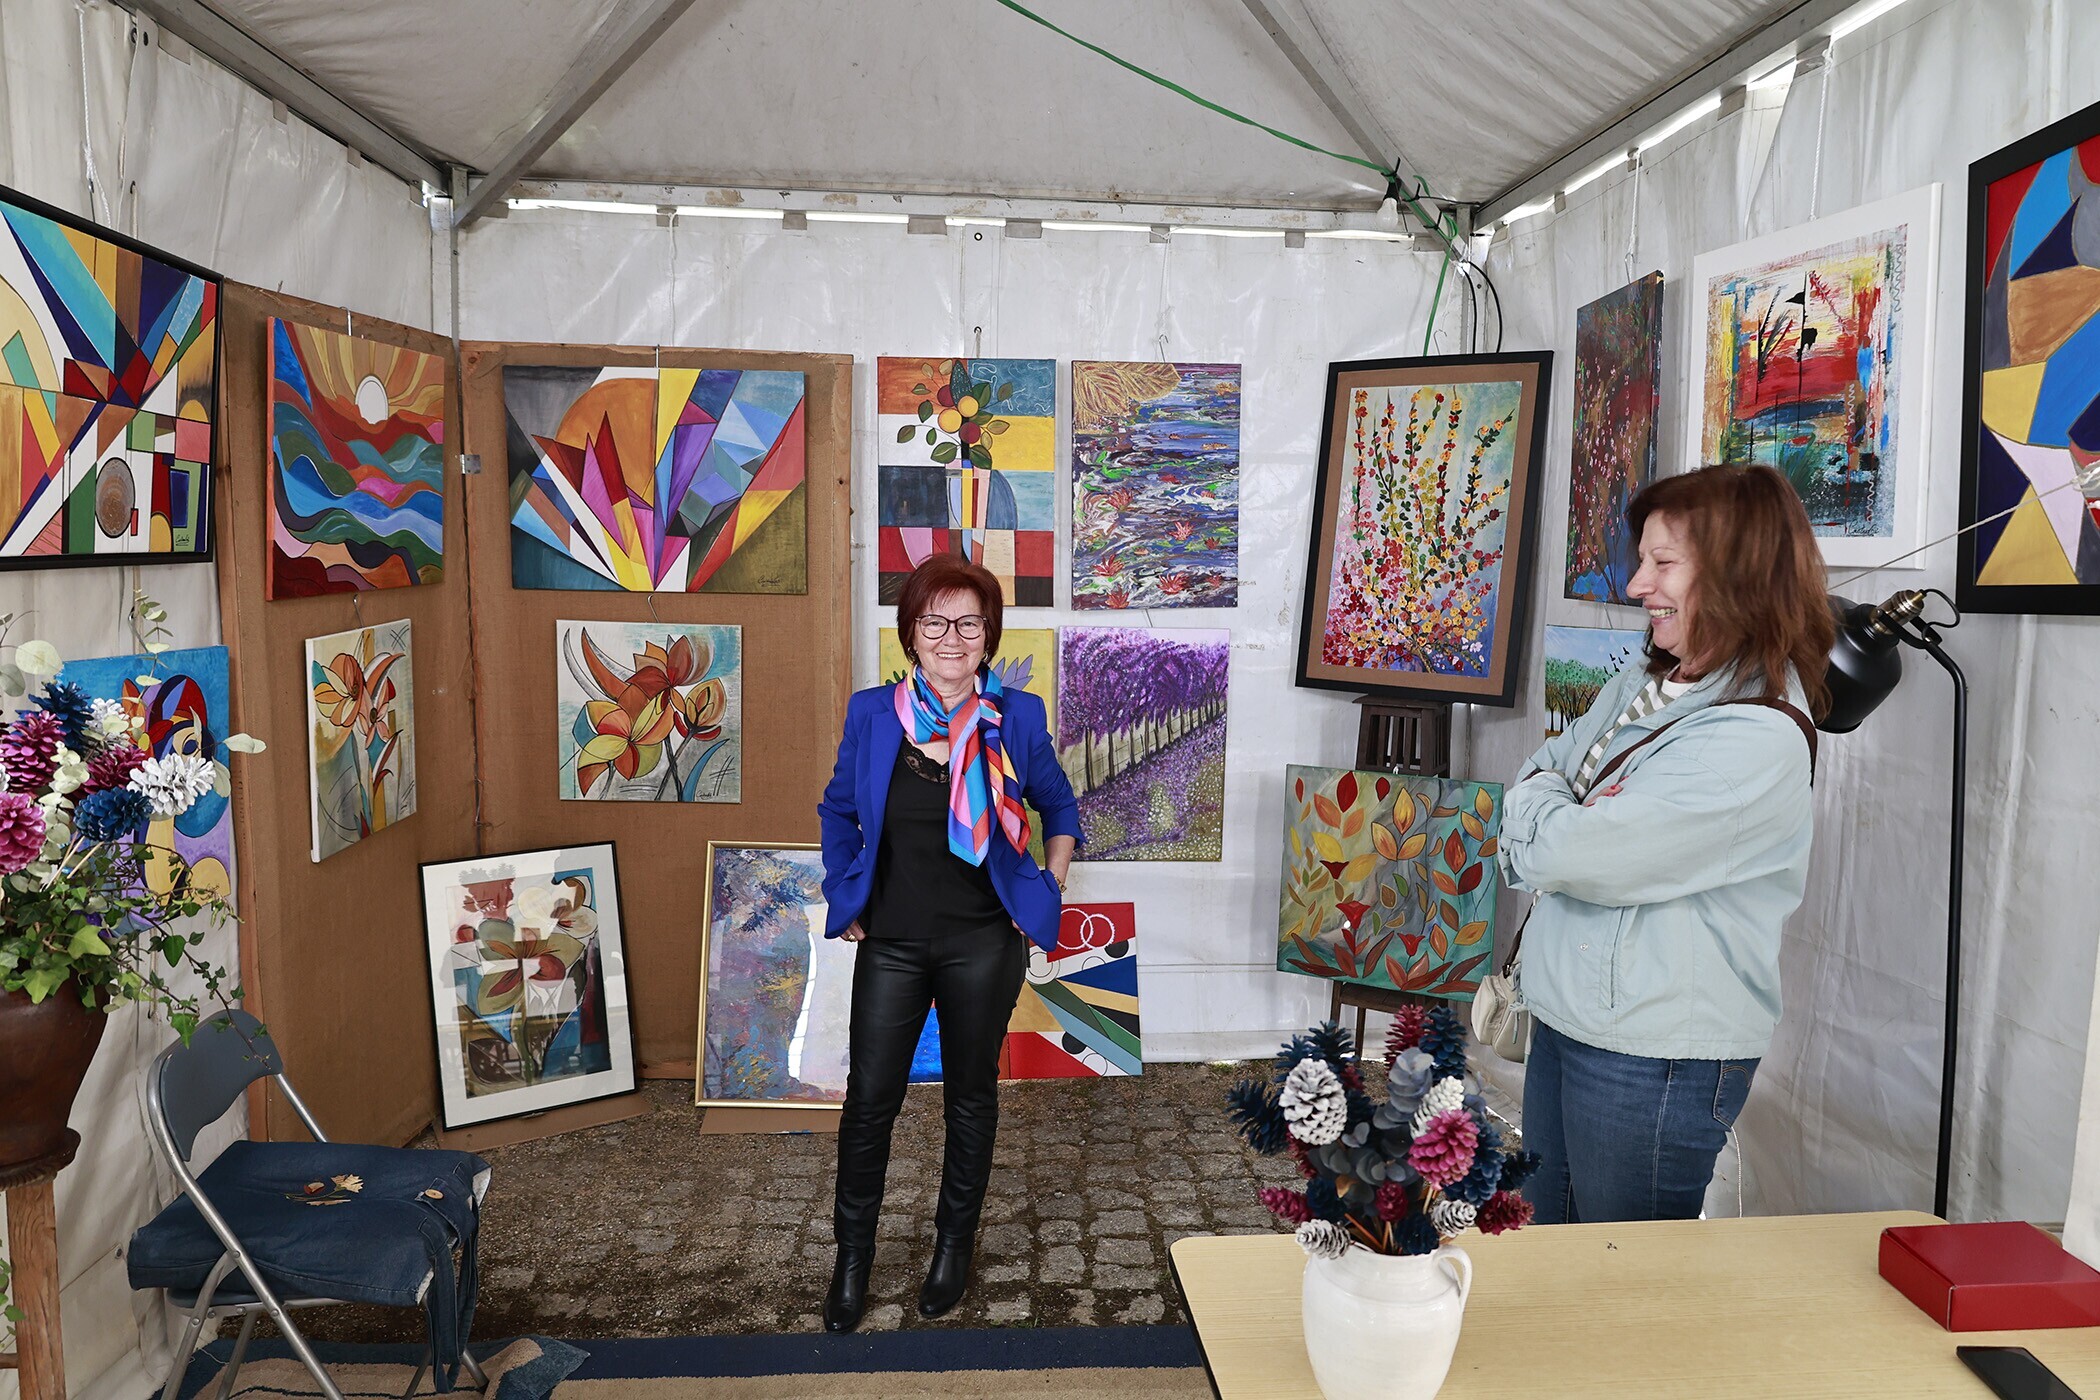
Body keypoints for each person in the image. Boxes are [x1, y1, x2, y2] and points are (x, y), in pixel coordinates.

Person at [1500, 464, 1833, 1224]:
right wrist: (1560, 805)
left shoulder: (1753, 736)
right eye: (1642, 560)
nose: (1636, 585)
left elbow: (1568, 853)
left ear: (1737, 573)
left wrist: (1558, 813)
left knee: (1626, 1277)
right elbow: (1537, 771)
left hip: (1652, 1054)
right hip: (1569, 1016)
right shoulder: (1647, 682)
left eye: (1663, 563)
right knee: (1549, 1250)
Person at [815, 554, 1079, 1332]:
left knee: (970, 1098)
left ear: (988, 634)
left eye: (969, 622)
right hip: (892, 940)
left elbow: (1061, 809)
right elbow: (836, 811)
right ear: (911, 634)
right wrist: (843, 891)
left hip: (982, 942)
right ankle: (852, 1261)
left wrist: (1048, 885)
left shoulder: (1016, 717)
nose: (952, 637)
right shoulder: (873, 714)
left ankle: (952, 1250)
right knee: (870, 1102)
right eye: (935, 621)